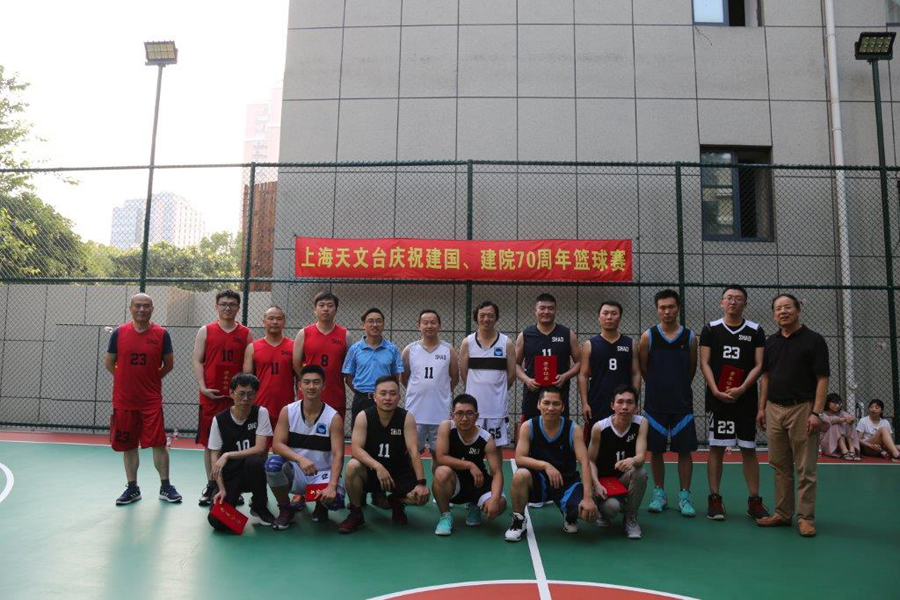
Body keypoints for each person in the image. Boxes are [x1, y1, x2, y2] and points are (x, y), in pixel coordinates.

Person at [756, 293, 829, 537]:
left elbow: (822, 378)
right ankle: (782, 513)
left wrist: (816, 412)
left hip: (803, 409)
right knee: (779, 465)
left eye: (787, 307)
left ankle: (805, 518)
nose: (783, 312)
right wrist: (761, 408)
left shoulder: (814, 340)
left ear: (798, 310)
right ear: (774, 315)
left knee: (806, 468)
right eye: (778, 308)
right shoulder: (771, 342)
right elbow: (766, 377)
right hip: (774, 409)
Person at [698, 285, 769, 520]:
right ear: (721, 302)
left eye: (738, 298)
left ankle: (754, 500)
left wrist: (743, 388)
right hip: (718, 399)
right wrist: (715, 390)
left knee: (749, 448)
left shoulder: (755, 330)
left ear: (745, 304)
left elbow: (759, 364)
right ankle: (715, 499)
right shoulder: (710, 328)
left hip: (745, 399)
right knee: (716, 446)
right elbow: (704, 362)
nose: (733, 302)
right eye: (729, 298)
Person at [105, 293, 181, 505]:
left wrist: (151, 379)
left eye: (146, 306)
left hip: (150, 401)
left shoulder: (162, 334)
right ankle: (132, 488)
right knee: (129, 445)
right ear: (130, 308)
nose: (141, 309)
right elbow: (109, 362)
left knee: (158, 443)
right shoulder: (119, 333)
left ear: (152, 309)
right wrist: (125, 379)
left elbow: (168, 364)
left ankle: (165, 487)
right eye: (137, 306)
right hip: (124, 400)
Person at [504, 386, 597, 542]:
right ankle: (518, 521)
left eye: (556, 404)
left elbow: (585, 463)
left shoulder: (573, 429)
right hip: (540, 482)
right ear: (538, 404)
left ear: (563, 407)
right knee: (520, 475)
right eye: (546, 403)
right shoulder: (528, 426)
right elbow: (519, 458)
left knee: (588, 514)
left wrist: (587, 497)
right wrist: (546, 465)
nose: (551, 408)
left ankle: (570, 515)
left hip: (566, 483)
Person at [339, 376, 430, 533]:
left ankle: (396, 500)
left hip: (398, 472)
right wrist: (378, 467)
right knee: (352, 466)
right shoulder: (364, 416)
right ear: (374, 396)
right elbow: (356, 449)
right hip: (372, 471)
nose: (388, 398)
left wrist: (421, 483)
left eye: (392, 393)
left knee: (421, 497)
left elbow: (414, 451)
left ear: (399, 397)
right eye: (383, 393)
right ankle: (356, 513)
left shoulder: (406, 417)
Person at [639, 289, 699, 517]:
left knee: (684, 451)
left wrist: (677, 386)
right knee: (656, 451)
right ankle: (659, 494)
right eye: (662, 307)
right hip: (655, 405)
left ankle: (684, 496)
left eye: (671, 307)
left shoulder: (690, 337)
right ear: (657, 310)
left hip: (682, 404)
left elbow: (691, 369)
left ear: (678, 308)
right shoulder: (648, 336)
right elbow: (644, 369)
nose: (667, 311)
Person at [265, 365, 346, 530]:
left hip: (322, 474)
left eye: (316, 382)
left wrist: (331, 485)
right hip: (296, 471)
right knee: (272, 465)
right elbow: (277, 445)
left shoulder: (333, 417)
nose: (311, 386)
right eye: (307, 382)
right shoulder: (288, 411)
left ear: (324, 386)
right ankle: (285, 509)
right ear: (300, 386)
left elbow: (338, 455)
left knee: (336, 501)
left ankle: (321, 506)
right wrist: (300, 459)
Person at [193, 289, 254, 506]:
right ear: (216, 306)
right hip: (211, 397)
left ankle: (233, 487)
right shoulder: (206, 330)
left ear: (238, 307)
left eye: (232, 304)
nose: (227, 308)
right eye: (223, 304)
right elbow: (198, 360)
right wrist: (203, 387)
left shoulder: (246, 333)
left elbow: (248, 366)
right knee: (210, 444)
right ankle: (212, 485)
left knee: (235, 445)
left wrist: (241, 393)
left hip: (236, 400)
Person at [207, 373, 276, 531]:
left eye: (250, 394)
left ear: (255, 394)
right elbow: (214, 457)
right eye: (241, 394)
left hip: (251, 473)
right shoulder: (219, 420)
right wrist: (221, 488)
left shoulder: (261, 413)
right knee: (217, 521)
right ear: (232, 393)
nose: (245, 399)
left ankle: (259, 506)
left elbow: (260, 448)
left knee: (256, 461)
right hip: (230, 475)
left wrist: (228, 454)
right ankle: (230, 499)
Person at [432, 394, 507, 536]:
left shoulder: (486, 438)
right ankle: (445, 516)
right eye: (460, 413)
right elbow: (441, 457)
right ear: (452, 415)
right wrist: (470, 465)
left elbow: (497, 473)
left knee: (501, 504)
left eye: (469, 413)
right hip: (454, 483)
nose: (464, 418)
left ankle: (475, 505)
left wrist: (495, 499)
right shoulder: (446, 427)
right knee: (441, 472)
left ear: (477, 416)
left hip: (477, 482)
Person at [587, 384, 648, 539]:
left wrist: (632, 460)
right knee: (612, 508)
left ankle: (630, 517)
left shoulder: (641, 423)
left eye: (630, 402)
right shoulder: (599, 428)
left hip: (623, 479)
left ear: (636, 407)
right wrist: (596, 484)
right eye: (620, 402)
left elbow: (641, 456)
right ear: (612, 405)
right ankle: (604, 512)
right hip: (604, 483)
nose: (624, 407)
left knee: (640, 472)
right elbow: (590, 461)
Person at [401, 309, 459, 468]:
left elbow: (455, 378)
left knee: (439, 457)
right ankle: (413, 483)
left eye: (433, 322)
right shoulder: (409, 350)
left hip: (439, 414)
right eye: (425, 323)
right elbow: (404, 378)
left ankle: (438, 485)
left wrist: (441, 392)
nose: (429, 326)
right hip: (415, 413)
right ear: (419, 326)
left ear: (439, 325)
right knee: (412, 454)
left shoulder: (448, 350)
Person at [578, 300, 641, 443]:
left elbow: (636, 373)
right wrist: (585, 403)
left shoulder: (630, 343)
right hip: (597, 400)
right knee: (595, 442)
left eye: (614, 314)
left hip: (623, 402)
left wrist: (635, 401)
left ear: (620, 317)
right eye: (605, 313)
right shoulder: (590, 344)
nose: (609, 317)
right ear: (599, 317)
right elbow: (583, 375)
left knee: (624, 441)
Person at [516, 293, 581, 421]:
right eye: (542, 308)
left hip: (559, 395)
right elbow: (515, 363)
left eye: (550, 308)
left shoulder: (567, 334)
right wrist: (527, 380)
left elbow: (579, 362)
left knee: (560, 429)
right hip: (533, 395)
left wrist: (565, 376)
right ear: (535, 311)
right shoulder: (525, 335)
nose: (546, 311)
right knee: (531, 429)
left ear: (555, 310)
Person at [460, 300, 516, 446]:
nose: (486, 319)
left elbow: (511, 375)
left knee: (496, 447)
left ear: (496, 317)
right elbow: (464, 374)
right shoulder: (468, 342)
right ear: (476, 317)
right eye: (482, 315)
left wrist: (498, 389)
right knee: (471, 445)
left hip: (497, 409)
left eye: (490, 315)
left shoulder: (506, 343)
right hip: (473, 408)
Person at [292, 291, 350, 419]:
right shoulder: (304, 333)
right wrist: (308, 383)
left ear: (336, 310)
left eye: (330, 305)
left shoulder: (345, 335)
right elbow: (296, 364)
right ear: (315, 310)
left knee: (334, 428)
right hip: (309, 395)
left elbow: (349, 367)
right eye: (321, 305)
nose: (326, 309)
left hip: (335, 394)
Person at [342, 308, 404, 427]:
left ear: (383, 325)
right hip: (361, 400)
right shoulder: (354, 349)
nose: (375, 325)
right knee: (359, 433)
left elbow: (396, 377)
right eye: (371, 321)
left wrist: (384, 394)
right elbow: (348, 378)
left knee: (384, 433)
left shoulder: (392, 349)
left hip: (385, 400)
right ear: (363, 325)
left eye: (378, 321)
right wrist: (362, 393)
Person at [243, 306, 294, 432]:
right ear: (264, 322)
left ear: (284, 323)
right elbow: (246, 381)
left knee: (284, 442)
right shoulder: (252, 347)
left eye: (279, 319)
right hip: (260, 404)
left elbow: (300, 377)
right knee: (261, 443)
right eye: (271, 318)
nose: (275, 322)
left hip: (287, 405)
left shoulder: (294, 346)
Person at [819, 393, 860, 461]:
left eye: (839, 403)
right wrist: (844, 419)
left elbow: (849, 417)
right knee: (836, 425)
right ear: (828, 402)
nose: (837, 405)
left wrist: (851, 419)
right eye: (834, 403)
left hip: (842, 443)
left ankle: (852, 450)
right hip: (828, 444)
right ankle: (844, 451)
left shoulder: (842, 413)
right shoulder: (822, 414)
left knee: (850, 424)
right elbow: (831, 420)